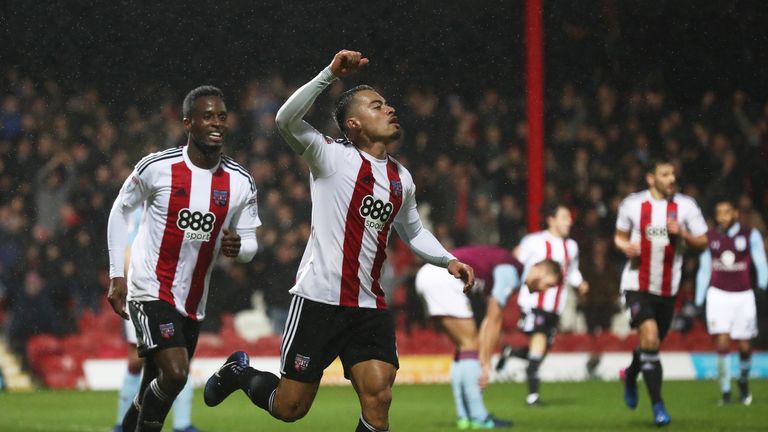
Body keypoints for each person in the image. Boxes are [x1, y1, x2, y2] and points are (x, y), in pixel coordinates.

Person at [203, 50, 474, 432]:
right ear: (355, 124)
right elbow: (285, 120)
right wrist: (330, 74)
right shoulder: (330, 156)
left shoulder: (402, 179)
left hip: (368, 305)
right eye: (377, 106)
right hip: (319, 300)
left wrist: (448, 259)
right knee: (290, 408)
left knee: (379, 396)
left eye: (388, 104)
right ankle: (240, 372)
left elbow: (412, 230)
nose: (390, 109)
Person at [107, 85, 261, 432]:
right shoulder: (158, 168)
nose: (216, 123)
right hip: (150, 289)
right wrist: (117, 275)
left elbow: (250, 243)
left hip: (193, 302)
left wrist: (240, 250)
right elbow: (120, 211)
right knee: (175, 374)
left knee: (153, 387)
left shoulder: (240, 182)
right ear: (188, 123)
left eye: (221, 116)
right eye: (207, 116)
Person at [415, 245, 561, 429]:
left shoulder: (506, 267)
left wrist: (483, 359)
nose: (544, 290)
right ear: (539, 269)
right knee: (470, 345)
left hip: (430, 274)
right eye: (548, 284)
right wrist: (485, 363)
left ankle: (464, 417)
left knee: (464, 346)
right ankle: (479, 416)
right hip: (443, 278)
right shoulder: (512, 270)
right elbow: (494, 317)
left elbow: (488, 321)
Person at [614, 157, 708, 426]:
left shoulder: (686, 206)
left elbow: (703, 241)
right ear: (650, 178)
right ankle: (658, 406)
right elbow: (619, 236)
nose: (671, 179)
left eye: (673, 174)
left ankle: (631, 374)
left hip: (667, 288)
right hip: (636, 284)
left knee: (650, 345)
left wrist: (685, 236)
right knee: (651, 337)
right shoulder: (632, 204)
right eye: (664, 174)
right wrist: (624, 247)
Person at [113, 209, 201, 432]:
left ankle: (182, 423)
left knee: (175, 361)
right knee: (139, 359)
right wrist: (126, 281)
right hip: (143, 291)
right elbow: (128, 250)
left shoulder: (179, 202)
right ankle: (124, 421)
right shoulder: (140, 208)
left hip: (174, 292)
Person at [496, 203, 588, 406]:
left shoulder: (571, 247)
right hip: (532, 303)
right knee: (538, 344)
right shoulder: (534, 241)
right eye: (565, 217)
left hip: (555, 307)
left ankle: (510, 351)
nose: (569, 221)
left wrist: (580, 283)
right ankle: (533, 397)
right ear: (551, 220)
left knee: (540, 352)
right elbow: (515, 261)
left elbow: (571, 271)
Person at [695, 198, 767, 405]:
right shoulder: (710, 238)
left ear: (735, 213)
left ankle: (743, 381)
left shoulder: (749, 235)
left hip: (743, 296)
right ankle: (726, 391)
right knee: (723, 341)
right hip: (718, 295)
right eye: (719, 213)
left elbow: (761, 261)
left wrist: (762, 285)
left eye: (727, 212)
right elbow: (704, 269)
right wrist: (699, 300)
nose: (722, 217)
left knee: (744, 345)